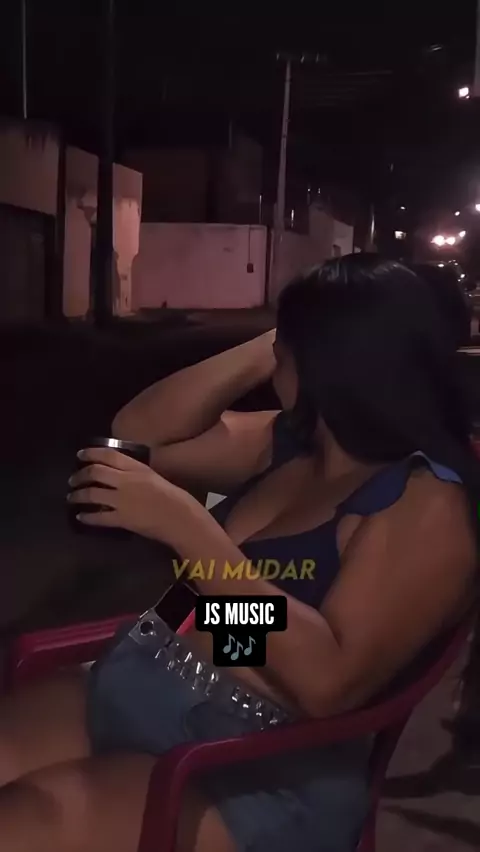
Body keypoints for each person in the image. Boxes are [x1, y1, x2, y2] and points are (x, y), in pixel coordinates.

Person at [0, 255, 478, 852]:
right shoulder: (291, 443)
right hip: (148, 681)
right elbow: (136, 434)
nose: (276, 356)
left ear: (336, 359)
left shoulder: (424, 500)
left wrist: (190, 531)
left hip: (260, 760)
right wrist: (272, 342)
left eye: (288, 347)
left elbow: (327, 683)